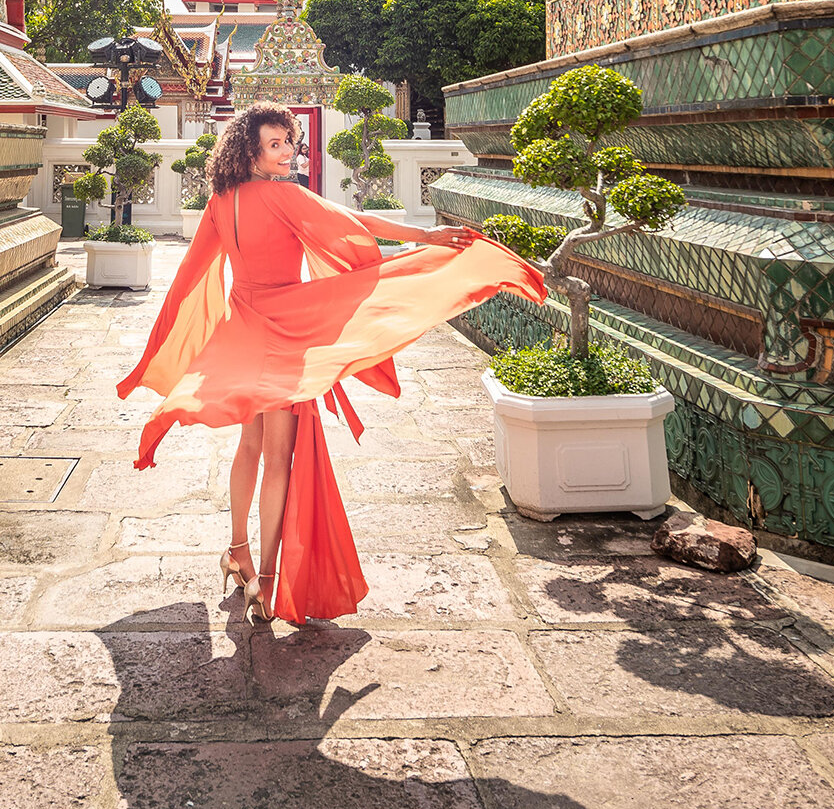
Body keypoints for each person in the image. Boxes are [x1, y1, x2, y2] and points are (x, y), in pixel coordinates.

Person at [117, 101, 546, 626]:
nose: (287, 151)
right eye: (273, 144)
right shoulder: (285, 196)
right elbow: (355, 223)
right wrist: (425, 237)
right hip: (283, 335)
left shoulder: (219, 203)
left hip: (241, 332)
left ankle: (237, 552)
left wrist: (155, 355)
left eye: (288, 141)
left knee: (248, 446)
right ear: (250, 152)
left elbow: (189, 278)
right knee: (277, 456)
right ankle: (268, 582)